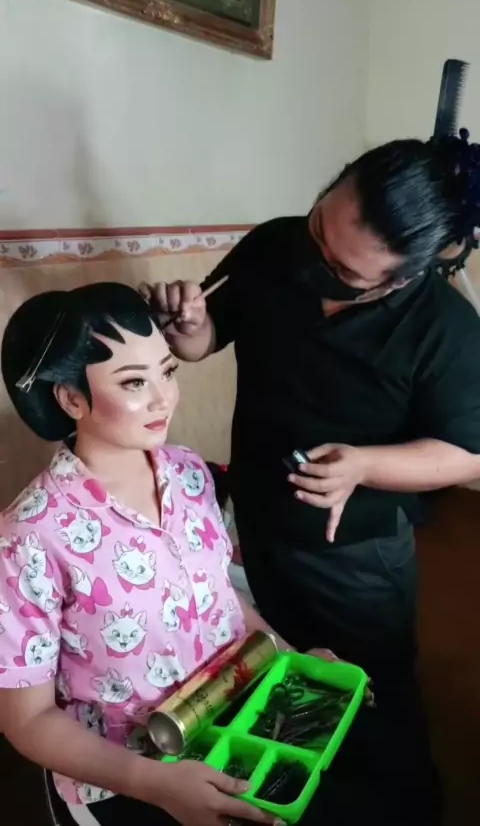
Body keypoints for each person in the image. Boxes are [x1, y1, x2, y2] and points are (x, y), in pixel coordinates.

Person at [144, 137, 480, 824]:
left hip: (355, 553)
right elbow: (205, 339)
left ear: (402, 277)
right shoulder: (275, 246)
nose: (313, 260)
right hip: (260, 519)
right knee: (286, 677)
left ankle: (404, 806)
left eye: (343, 269)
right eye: (319, 226)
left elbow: (469, 455)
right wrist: (188, 327)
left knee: (373, 695)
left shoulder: (443, 330)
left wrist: (365, 465)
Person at [0, 281, 317, 826]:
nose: (163, 398)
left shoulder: (189, 472)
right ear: (71, 398)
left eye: (167, 372)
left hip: (234, 732)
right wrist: (157, 785)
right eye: (133, 382)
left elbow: (219, 598)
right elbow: (27, 721)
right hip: (122, 782)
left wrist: (293, 663)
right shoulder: (29, 537)